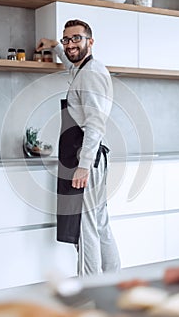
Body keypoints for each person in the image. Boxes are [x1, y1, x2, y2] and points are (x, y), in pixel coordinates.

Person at [37, 19, 121, 276]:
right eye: (67, 39)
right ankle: (113, 280)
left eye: (77, 39)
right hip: (89, 157)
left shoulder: (92, 73)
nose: (71, 44)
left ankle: (91, 292)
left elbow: (96, 123)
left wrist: (83, 165)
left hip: (87, 159)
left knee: (87, 229)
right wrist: (54, 46)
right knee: (99, 225)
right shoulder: (82, 69)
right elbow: (69, 60)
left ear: (90, 42)